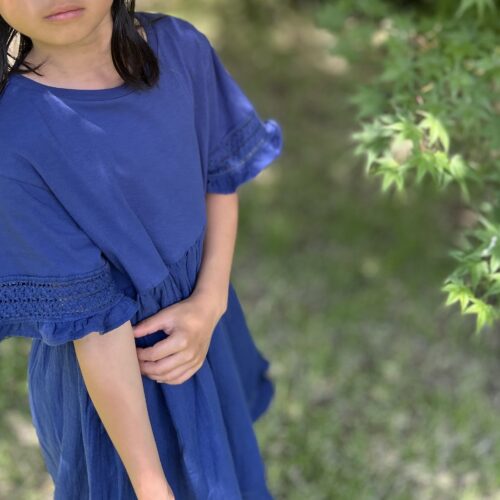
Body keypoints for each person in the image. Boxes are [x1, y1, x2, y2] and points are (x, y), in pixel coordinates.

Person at [0, 1, 283, 499]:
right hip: (116, 385)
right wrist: (151, 484)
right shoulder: (16, 136)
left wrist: (209, 302)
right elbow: (95, 326)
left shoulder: (182, 48)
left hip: (204, 323)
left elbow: (218, 177)